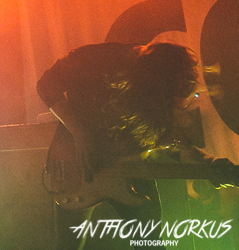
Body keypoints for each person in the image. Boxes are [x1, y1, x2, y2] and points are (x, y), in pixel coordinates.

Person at [37, 42, 237, 250]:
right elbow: (46, 85)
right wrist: (80, 134)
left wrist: (213, 165)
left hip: (132, 172)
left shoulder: (162, 99)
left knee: (150, 245)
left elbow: (179, 147)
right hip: (76, 166)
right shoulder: (97, 58)